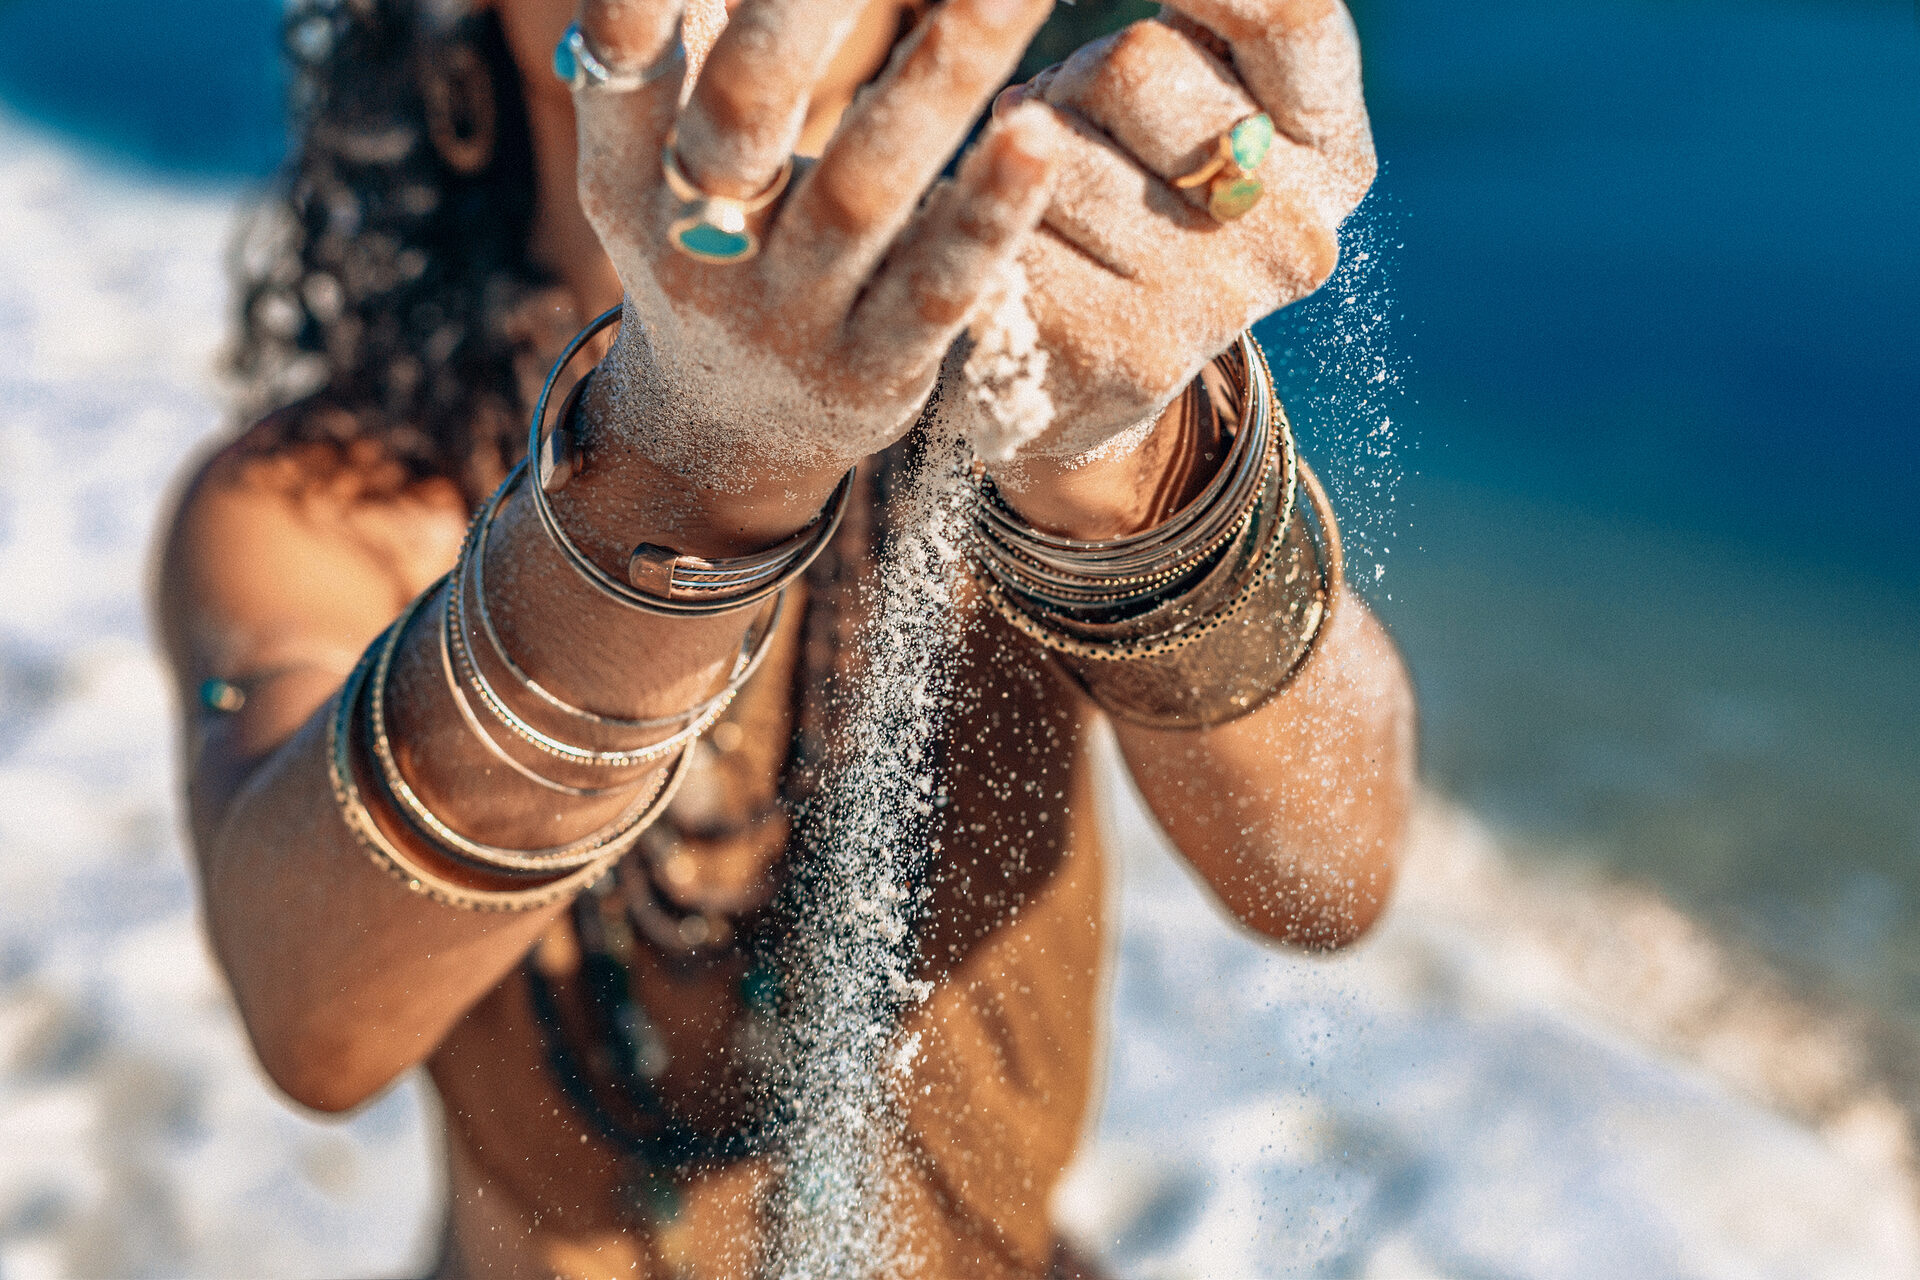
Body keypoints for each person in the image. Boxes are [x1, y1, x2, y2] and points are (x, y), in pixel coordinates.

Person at [155, 0, 1414, 1273]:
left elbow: (1326, 872)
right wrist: (679, 471)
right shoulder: (324, 505)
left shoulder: (1035, 400)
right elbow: (310, 1019)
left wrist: (1116, 459)